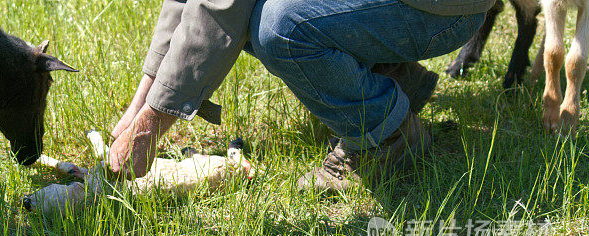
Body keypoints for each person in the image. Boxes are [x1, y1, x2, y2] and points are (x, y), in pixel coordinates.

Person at [107, 0, 491, 192]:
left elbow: (221, 7)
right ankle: (386, 77)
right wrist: (141, 101)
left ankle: (387, 135)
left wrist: (152, 122)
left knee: (280, 27)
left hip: (440, 10)